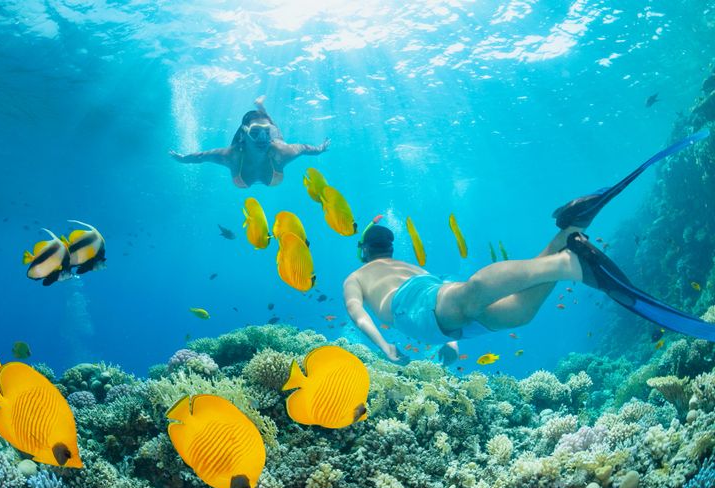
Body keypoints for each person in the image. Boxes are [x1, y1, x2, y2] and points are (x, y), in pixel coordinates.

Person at [343, 131, 714, 363]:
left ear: (364, 251)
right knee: (516, 312)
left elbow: (360, 316)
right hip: (434, 303)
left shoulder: (356, 276)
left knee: (471, 296)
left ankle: (568, 266)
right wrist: (452, 346)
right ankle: (567, 236)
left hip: (416, 309)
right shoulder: (405, 266)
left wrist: (384, 348)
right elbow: (444, 300)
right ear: (389, 248)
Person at [170, 96, 330, 188]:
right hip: (244, 146)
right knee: (267, 124)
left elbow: (303, 148)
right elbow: (201, 156)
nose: (262, 138)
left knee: (271, 127)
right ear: (245, 134)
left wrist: (320, 149)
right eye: (255, 132)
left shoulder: (282, 151)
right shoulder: (231, 155)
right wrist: (184, 159)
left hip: (275, 145)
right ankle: (260, 108)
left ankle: (261, 108)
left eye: (266, 133)